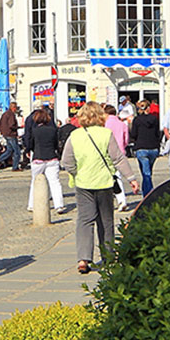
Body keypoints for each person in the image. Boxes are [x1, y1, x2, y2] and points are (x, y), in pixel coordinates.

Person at [61, 103, 137, 274]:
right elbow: (118, 159)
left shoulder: (75, 135)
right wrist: (131, 178)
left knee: (85, 220)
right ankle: (107, 256)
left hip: (83, 183)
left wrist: (77, 172)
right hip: (104, 183)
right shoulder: (106, 134)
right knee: (106, 220)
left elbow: (66, 161)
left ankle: (83, 259)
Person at [23, 108, 66, 214]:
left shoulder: (35, 131)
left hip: (38, 157)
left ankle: (32, 205)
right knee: (55, 182)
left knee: (35, 182)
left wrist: (28, 150)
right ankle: (59, 205)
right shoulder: (53, 130)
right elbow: (56, 144)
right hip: (52, 157)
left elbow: (30, 144)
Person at [101, 102, 132, 211]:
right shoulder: (122, 124)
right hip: (120, 152)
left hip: (108, 153)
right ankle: (121, 200)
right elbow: (126, 140)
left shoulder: (105, 125)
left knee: (111, 178)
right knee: (118, 177)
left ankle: (120, 200)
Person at [130, 101, 163, 196]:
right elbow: (158, 133)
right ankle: (146, 192)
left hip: (141, 148)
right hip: (153, 148)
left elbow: (133, 134)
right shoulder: (155, 119)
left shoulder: (137, 120)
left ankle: (148, 194)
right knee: (148, 173)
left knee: (146, 174)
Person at [0, 104, 23, 171]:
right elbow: (11, 125)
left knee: (9, 150)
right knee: (17, 151)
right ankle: (15, 167)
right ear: (13, 108)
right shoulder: (11, 114)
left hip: (5, 134)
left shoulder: (5, 114)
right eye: (16, 108)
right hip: (11, 134)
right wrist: (19, 127)